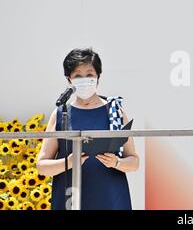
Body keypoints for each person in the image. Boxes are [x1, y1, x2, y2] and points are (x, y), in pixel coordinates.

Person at [36, 48, 139, 210]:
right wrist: (68, 162)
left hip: (110, 197)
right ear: (69, 79)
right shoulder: (61, 114)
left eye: (90, 74)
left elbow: (133, 162)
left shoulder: (114, 111)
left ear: (98, 77)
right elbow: (42, 166)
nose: (84, 80)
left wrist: (116, 162)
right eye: (78, 75)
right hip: (70, 197)